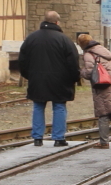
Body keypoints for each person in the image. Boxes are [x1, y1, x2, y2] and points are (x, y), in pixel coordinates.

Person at [18, 10, 81, 146]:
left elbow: (22, 60)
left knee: (38, 106)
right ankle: (58, 138)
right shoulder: (64, 40)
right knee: (59, 106)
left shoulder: (31, 38)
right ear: (57, 22)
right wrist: (75, 78)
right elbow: (73, 62)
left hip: (37, 78)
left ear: (44, 21)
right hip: (61, 80)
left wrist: (29, 75)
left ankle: (37, 138)